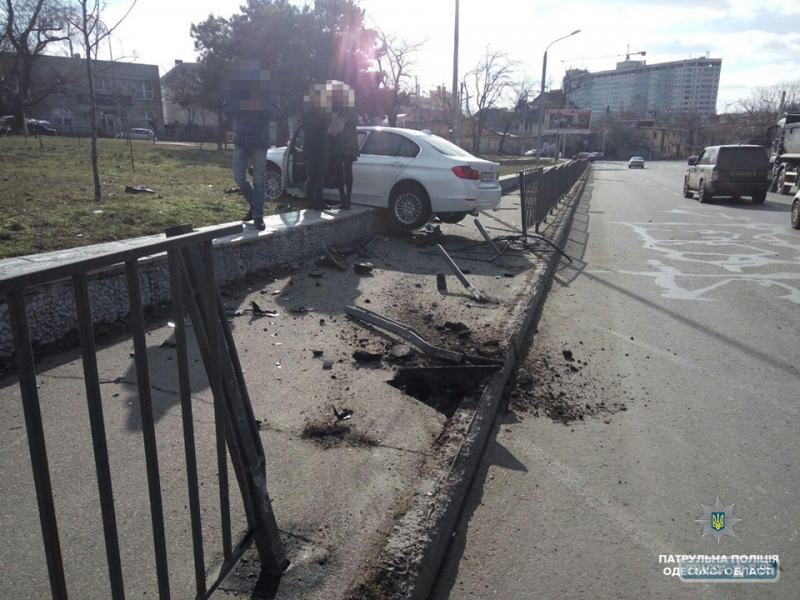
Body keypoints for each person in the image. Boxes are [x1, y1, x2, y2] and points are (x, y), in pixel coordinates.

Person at [223, 59, 281, 231]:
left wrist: (260, 105)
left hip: (260, 141)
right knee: (238, 178)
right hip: (241, 140)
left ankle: (258, 216)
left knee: (258, 180)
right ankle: (255, 206)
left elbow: (276, 114)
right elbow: (227, 110)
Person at [302, 82, 335, 211]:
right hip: (313, 146)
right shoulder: (309, 110)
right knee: (313, 173)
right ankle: (310, 200)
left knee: (320, 173)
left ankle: (320, 200)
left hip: (322, 145)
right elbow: (308, 128)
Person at [329, 85, 359, 210]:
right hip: (338, 142)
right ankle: (342, 197)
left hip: (348, 143)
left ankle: (348, 198)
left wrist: (343, 121)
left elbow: (354, 120)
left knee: (347, 171)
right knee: (339, 171)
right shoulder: (335, 108)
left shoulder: (351, 108)